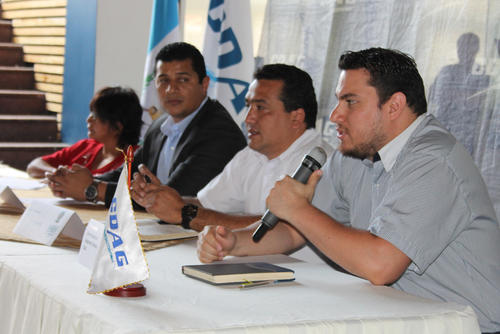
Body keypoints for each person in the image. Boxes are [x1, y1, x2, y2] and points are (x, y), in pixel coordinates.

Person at [197, 48, 500, 333]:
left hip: (465, 325)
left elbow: (381, 266)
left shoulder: (433, 160)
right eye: (338, 100)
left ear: (394, 105)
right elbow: (293, 232)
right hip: (399, 317)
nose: (335, 115)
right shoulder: (353, 155)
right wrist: (232, 243)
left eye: (350, 102)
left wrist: (299, 209)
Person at [130, 64, 332, 231]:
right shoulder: (251, 155)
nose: (248, 118)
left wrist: (186, 214)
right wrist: (163, 199)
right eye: (248, 106)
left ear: (296, 117)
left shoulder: (322, 165)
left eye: (260, 107)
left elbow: (278, 230)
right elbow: (206, 204)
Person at [46, 42, 246, 205]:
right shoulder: (159, 126)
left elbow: (170, 198)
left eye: (183, 80)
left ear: (204, 84)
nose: (170, 89)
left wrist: (92, 189)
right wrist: (75, 180)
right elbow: (128, 171)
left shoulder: (219, 133)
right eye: (163, 80)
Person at [26, 86, 142, 178]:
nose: (88, 119)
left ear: (117, 126)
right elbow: (34, 166)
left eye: (96, 116)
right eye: (91, 113)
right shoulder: (86, 146)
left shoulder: (135, 158)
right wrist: (57, 173)